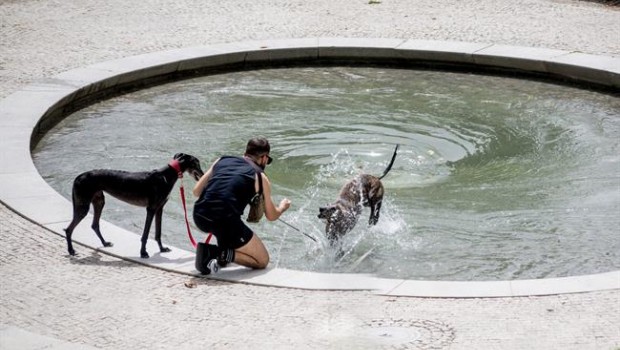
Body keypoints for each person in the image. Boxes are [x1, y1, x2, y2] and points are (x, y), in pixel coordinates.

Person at [192, 137, 291, 273]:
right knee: (262, 260)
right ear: (264, 158)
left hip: (199, 215)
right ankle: (216, 253)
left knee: (227, 225)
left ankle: (222, 255)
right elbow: (271, 215)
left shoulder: (221, 160)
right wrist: (282, 207)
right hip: (224, 222)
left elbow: (196, 191)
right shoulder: (260, 177)